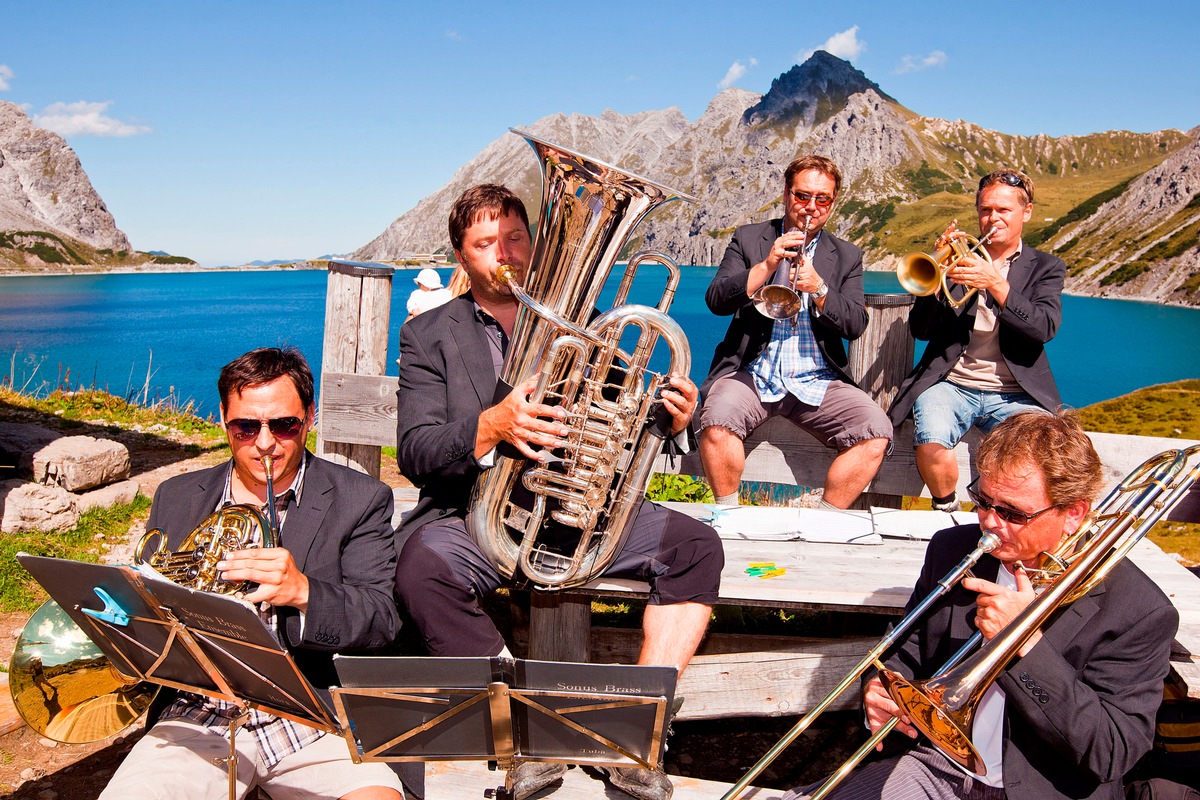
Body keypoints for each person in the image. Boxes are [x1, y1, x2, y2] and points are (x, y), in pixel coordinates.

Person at [393, 183, 724, 800]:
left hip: (576, 513)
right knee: (420, 566)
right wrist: (491, 425)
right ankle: (523, 732)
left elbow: (626, 414)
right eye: (486, 244)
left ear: (536, 243)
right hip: (479, 512)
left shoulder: (584, 326)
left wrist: (672, 417)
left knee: (697, 547)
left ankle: (633, 732)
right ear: (462, 257)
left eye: (516, 239)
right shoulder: (428, 334)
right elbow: (415, 450)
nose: (506, 254)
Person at [784, 411, 1178, 800]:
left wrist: (1024, 645)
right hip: (938, 766)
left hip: (1044, 789)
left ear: (1073, 513)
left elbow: (1111, 752)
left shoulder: (1138, 609)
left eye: (1012, 513)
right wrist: (879, 687)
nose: (989, 522)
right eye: (983, 500)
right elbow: (901, 652)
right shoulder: (952, 549)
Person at [99, 347, 406, 800]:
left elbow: (382, 619)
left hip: (312, 715)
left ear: (310, 417)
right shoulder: (177, 495)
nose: (265, 443)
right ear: (223, 418)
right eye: (246, 426)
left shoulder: (360, 500)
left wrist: (304, 592)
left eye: (284, 425)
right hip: (198, 712)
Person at [699, 155, 892, 509]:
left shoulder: (847, 255)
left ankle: (825, 517)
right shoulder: (749, 238)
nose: (811, 207)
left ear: (833, 203)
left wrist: (819, 289)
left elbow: (855, 325)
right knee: (716, 422)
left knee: (876, 431)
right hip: (753, 373)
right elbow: (717, 299)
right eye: (803, 196)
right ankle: (728, 515)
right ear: (787, 194)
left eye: (823, 199)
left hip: (817, 378)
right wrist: (767, 265)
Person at [888, 169, 1065, 512]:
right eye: (985, 210)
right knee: (931, 442)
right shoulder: (961, 257)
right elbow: (921, 331)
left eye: (1003, 210)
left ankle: (998, 519)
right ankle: (946, 510)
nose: (992, 219)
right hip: (952, 383)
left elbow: (1043, 327)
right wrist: (936, 280)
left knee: (1030, 462)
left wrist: (996, 284)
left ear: (1025, 212)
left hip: (1016, 392)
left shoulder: (1046, 267)